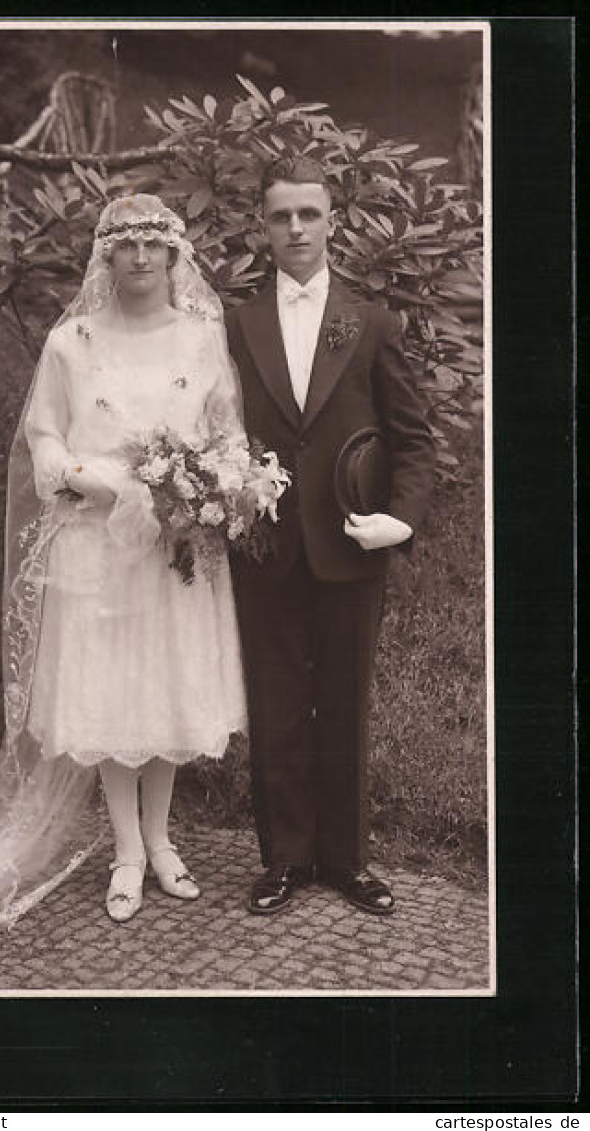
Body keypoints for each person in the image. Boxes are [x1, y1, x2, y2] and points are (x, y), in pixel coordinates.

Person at [0, 194, 247, 933]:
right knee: (112, 695)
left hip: (174, 546)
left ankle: (161, 838)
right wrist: (87, 478)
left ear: (176, 256)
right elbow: (44, 437)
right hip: (96, 542)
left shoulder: (202, 336)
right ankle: (125, 850)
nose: (142, 258)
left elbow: (226, 434)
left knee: (167, 689)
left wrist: (219, 487)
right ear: (105, 257)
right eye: (127, 246)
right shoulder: (73, 343)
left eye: (155, 245)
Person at [226, 156, 436, 917]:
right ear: (262, 226)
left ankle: (347, 859)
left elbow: (414, 439)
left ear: (332, 221)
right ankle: (283, 858)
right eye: (280, 216)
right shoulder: (237, 322)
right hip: (266, 548)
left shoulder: (373, 320)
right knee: (278, 702)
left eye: (308, 214)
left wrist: (401, 519)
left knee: (344, 701)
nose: (295, 229)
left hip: (354, 545)